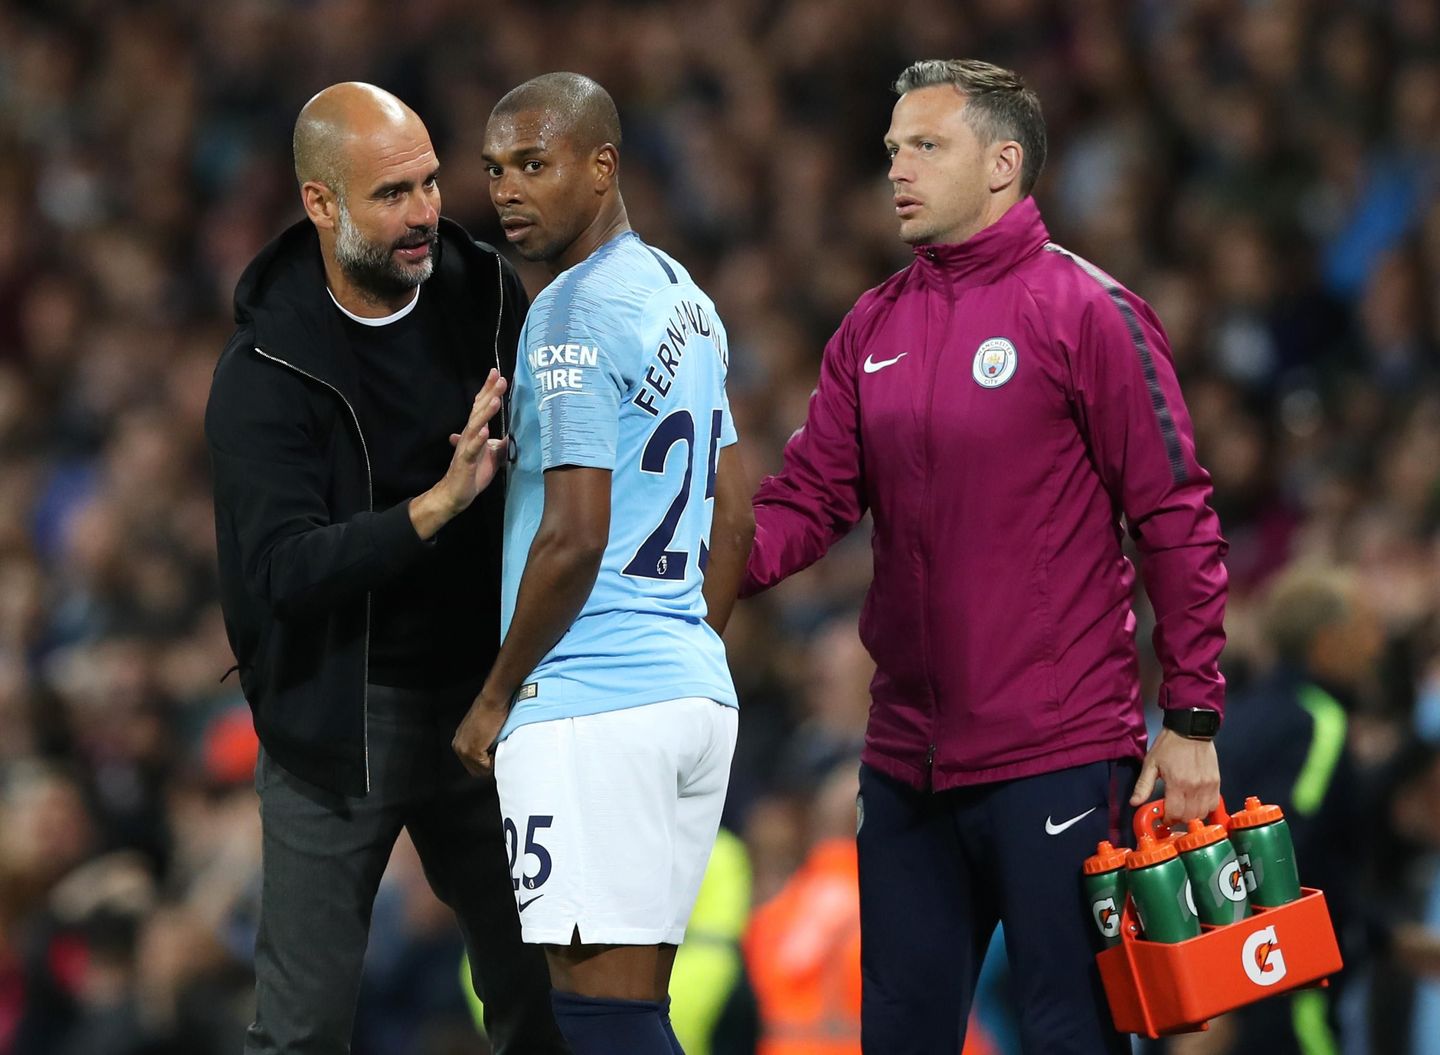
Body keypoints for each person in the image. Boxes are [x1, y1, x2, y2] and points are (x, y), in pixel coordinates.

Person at [739, 59, 1229, 1054]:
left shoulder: (1089, 311)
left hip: (1057, 755)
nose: (897, 169)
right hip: (905, 763)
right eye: (892, 149)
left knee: (1071, 1036)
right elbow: (808, 500)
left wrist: (1189, 716)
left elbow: (1174, 512)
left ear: (1003, 164)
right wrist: (688, 568)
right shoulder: (871, 326)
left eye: (927, 146)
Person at [204, 82, 564, 1054]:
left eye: (430, 183)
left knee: (543, 1000)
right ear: (321, 203)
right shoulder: (265, 370)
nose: (424, 213)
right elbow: (282, 570)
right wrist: (434, 507)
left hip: (483, 700)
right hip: (339, 720)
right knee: (302, 1031)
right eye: (392, 194)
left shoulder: (485, 293)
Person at [450, 72, 754, 1055]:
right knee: (632, 1011)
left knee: (596, 1020)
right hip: (687, 694)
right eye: (496, 168)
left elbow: (575, 533)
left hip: (590, 704)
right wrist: (679, 647)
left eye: (534, 164)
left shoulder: (569, 316)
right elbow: (736, 508)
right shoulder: (684, 297)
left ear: (602, 166)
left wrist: (495, 695)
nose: (507, 189)